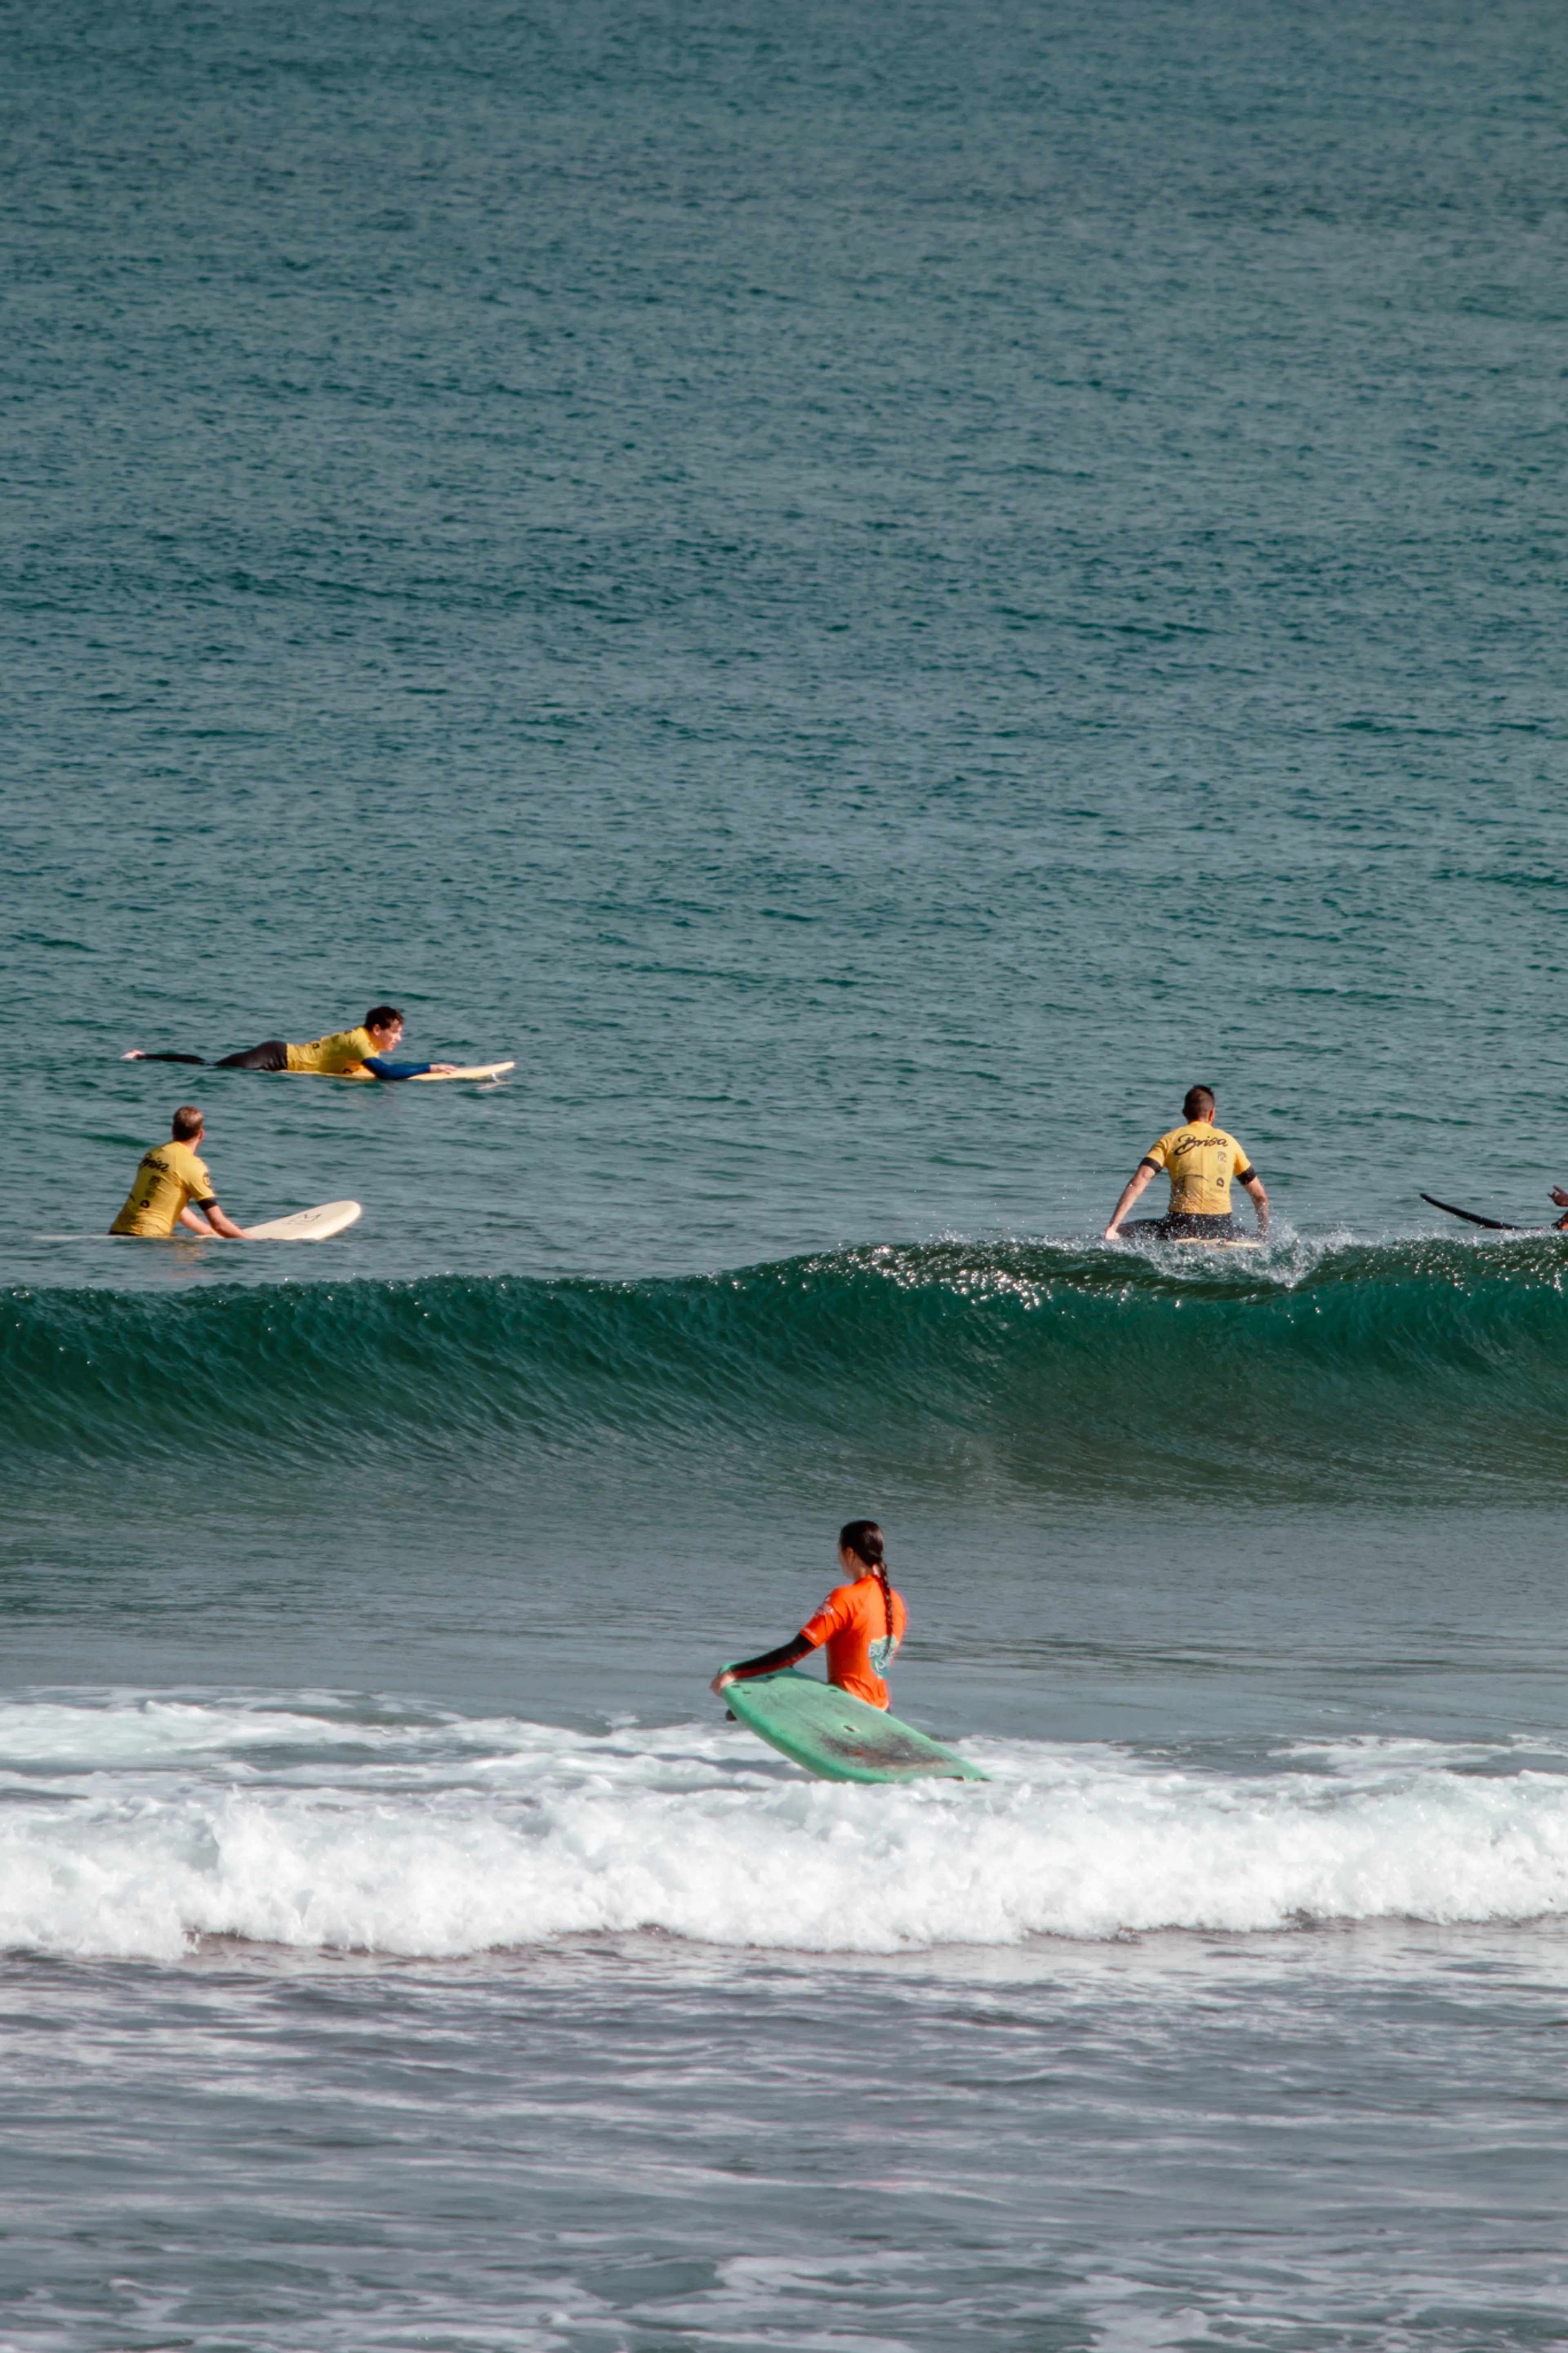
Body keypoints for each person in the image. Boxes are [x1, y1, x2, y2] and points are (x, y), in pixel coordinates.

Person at [710, 1521, 909, 1711]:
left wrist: (734, 1674)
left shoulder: (846, 1598)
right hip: (882, 1711)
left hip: (849, 1711)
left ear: (849, 1553)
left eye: (839, 1549)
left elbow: (794, 1654)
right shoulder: (896, 1602)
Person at [1104, 1085, 1269, 1242]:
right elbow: (1260, 1197)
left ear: (1184, 1113)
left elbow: (1138, 1182)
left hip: (1180, 1225)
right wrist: (1262, 1232)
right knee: (1248, 1234)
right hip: (1221, 1227)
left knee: (1122, 1231)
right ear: (1212, 1114)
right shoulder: (1230, 1143)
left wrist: (1113, 1227)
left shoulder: (1170, 1140)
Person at [122, 1006, 457, 1081]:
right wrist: (432, 1066)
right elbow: (384, 1073)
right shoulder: (360, 1042)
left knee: (212, 1066)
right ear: (377, 1029)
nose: (399, 1038)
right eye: (395, 1032)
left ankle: (145, 1055)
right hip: (276, 1057)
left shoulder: (366, 1043)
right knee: (210, 1069)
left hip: (281, 1057)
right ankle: (144, 1056)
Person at [109, 1106, 250, 1239]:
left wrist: (208, 1233)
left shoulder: (153, 1154)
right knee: (193, 1257)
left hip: (117, 1232)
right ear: (201, 1134)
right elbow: (219, 1224)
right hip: (150, 1240)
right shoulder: (193, 1165)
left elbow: (175, 1206)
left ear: (173, 1130)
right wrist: (256, 1243)